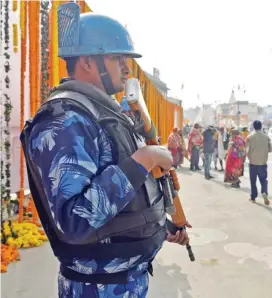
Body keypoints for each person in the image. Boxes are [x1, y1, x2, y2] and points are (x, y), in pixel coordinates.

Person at [19, 3, 189, 297]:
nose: (126, 67)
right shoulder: (64, 119)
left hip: (127, 280)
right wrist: (146, 158)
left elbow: (122, 197)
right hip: (96, 288)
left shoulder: (102, 113)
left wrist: (162, 223)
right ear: (87, 61)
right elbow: (76, 220)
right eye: (117, 58)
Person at [246, 120, 272, 205]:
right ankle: (264, 192)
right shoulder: (266, 137)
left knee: (253, 181)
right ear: (261, 127)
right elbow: (270, 149)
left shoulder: (250, 137)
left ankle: (253, 197)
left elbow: (246, 150)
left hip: (253, 163)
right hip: (263, 163)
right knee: (263, 180)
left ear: (253, 127)